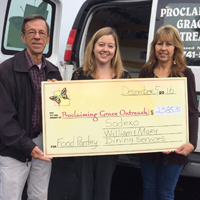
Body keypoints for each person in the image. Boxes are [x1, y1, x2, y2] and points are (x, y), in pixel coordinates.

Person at [0, 14, 62, 200]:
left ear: (48, 39)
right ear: (23, 37)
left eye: (42, 33)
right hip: (13, 149)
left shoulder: (53, 71)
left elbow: (60, 112)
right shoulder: (6, 70)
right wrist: (27, 146)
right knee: (11, 196)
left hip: (43, 143)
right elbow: (4, 118)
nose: (37, 37)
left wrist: (58, 96)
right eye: (31, 32)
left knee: (39, 195)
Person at [138, 24, 198, 200]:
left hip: (175, 146)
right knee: (148, 188)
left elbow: (193, 111)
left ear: (176, 47)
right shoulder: (146, 72)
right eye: (159, 43)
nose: (163, 48)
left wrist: (192, 144)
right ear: (154, 47)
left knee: (165, 193)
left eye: (169, 44)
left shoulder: (185, 74)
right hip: (149, 144)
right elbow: (139, 108)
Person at [71, 27, 131, 200]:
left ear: (115, 50)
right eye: (101, 44)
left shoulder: (124, 78)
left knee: (103, 189)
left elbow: (130, 111)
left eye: (110, 46)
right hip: (83, 141)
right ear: (93, 47)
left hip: (109, 142)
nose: (105, 49)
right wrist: (54, 94)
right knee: (84, 188)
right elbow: (68, 108)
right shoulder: (79, 75)